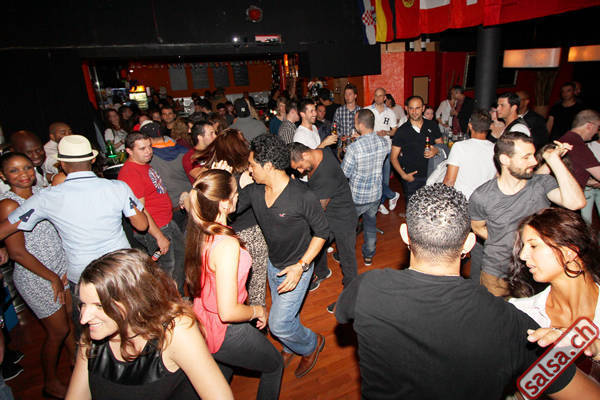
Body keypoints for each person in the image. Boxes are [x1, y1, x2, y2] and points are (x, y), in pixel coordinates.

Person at [335, 183, 600, 400]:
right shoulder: (513, 324)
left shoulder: (367, 287)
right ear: (469, 243)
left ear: (405, 234)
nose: (523, 255)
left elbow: (341, 314)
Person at [0, 135, 148, 326]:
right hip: (120, 268)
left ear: (62, 164)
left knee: (93, 328)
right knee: (132, 321)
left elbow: (5, 229)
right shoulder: (118, 187)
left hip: (83, 274)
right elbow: (142, 225)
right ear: (92, 160)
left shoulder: (47, 197)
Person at [65, 249, 233, 400]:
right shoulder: (93, 332)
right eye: (83, 304)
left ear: (132, 302)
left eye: (99, 306)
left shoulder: (175, 331)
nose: (83, 319)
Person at [185, 169, 283, 399]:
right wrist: (257, 310)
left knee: (221, 374)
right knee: (274, 365)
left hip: (204, 319)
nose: (238, 195)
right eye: (235, 192)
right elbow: (228, 312)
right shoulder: (226, 245)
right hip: (225, 329)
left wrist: (220, 179)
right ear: (223, 204)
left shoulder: (199, 228)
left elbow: (195, 198)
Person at [238, 134, 328, 378]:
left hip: (297, 267)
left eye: (252, 165)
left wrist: (301, 266)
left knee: (278, 324)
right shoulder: (255, 191)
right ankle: (290, 346)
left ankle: (311, 344)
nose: (249, 170)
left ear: (268, 166)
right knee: (285, 314)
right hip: (273, 264)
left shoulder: (302, 196)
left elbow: (322, 232)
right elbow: (227, 207)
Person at [469, 132, 586, 297]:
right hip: (497, 272)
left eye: (533, 155)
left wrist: (554, 160)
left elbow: (576, 202)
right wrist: (505, 240)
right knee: (495, 313)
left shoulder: (542, 184)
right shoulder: (482, 196)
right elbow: (477, 227)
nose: (534, 161)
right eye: (526, 157)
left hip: (536, 271)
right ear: (505, 159)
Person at [0, 152, 75, 399]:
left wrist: (64, 267)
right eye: (14, 170)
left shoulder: (41, 194)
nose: (23, 174)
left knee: (69, 322)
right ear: (3, 176)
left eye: (26, 168)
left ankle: (76, 364)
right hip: (37, 276)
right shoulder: (9, 204)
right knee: (58, 331)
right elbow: (17, 252)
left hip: (59, 267)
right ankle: (51, 382)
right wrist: (52, 277)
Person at [509, 208, 600, 380]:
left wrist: (596, 349)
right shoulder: (521, 313)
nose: (522, 255)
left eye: (533, 245)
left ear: (569, 251)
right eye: (523, 247)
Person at [192, 129, 269, 306]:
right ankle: (256, 317)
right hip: (251, 234)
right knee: (255, 287)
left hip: (224, 232)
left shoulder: (215, 177)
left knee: (233, 285)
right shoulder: (246, 175)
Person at [289, 142, 358, 313]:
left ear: (305, 155)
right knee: (317, 244)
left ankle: (350, 301)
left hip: (343, 218)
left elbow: (318, 209)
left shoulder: (325, 174)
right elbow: (314, 190)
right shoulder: (320, 153)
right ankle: (322, 272)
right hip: (331, 215)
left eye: (299, 167)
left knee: (348, 260)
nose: (300, 171)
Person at [118, 132, 186, 294]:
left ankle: (179, 296)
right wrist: (159, 236)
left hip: (166, 222)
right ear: (129, 151)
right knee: (166, 271)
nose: (148, 151)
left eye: (149, 146)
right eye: (142, 148)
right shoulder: (130, 173)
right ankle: (170, 302)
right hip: (156, 229)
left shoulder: (144, 164)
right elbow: (140, 211)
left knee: (180, 260)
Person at [342, 109, 390, 266]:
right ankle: (369, 256)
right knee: (370, 224)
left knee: (349, 228)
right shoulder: (384, 143)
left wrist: (346, 154)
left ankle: (345, 257)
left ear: (360, 125)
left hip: (357, 197)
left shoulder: (354, 148)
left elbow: (345, 173)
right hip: (375, 194)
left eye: (356, 121)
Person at [391, 95, 443, 201]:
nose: (414, 112)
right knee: (412, 209)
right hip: (413, 178)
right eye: (411, 108)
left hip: (432, 175)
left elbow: (441, 145)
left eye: (417, 108)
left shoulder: (432, 125)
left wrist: (436, 150)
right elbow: (393, 157)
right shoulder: (402, 131)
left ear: (423, 108)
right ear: (407, 109)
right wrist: (404, 175)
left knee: (431, 207)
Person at [365, 87, 399, 215]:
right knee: (374, 179)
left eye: (380, 96)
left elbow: (394, 130)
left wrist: (387, 132)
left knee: (385, 179)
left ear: (385, 98)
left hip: (386, 148)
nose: (378, 98)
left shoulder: (390, 113)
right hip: (372, 149)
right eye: (376, 95)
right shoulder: (367, 110)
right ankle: (392, 195)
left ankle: (381, 203)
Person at [556, 109, 600, 188]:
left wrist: (587, 181)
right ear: (589, 126)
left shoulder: (564, 139)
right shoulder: (578, 145)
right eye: (598, 127)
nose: (596, 132)